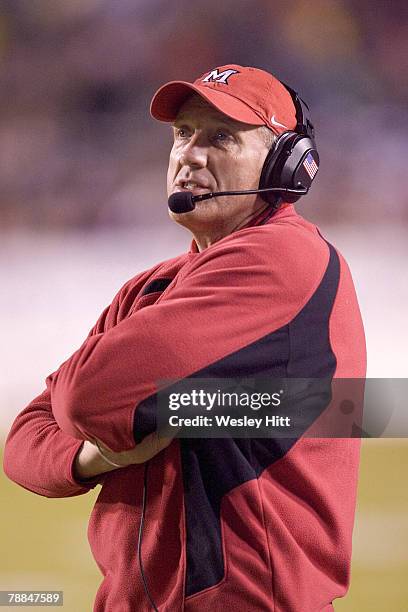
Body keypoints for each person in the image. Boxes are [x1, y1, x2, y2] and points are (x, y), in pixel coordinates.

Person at [3, 65, 366, 611]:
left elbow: (80, 398)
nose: (189, 155)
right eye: (182, 134)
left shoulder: (284, 256)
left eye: (221, 136)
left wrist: (135, 414)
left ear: (286, 163)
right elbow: (25, 440)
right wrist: (98, 456)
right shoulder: (152, 285)